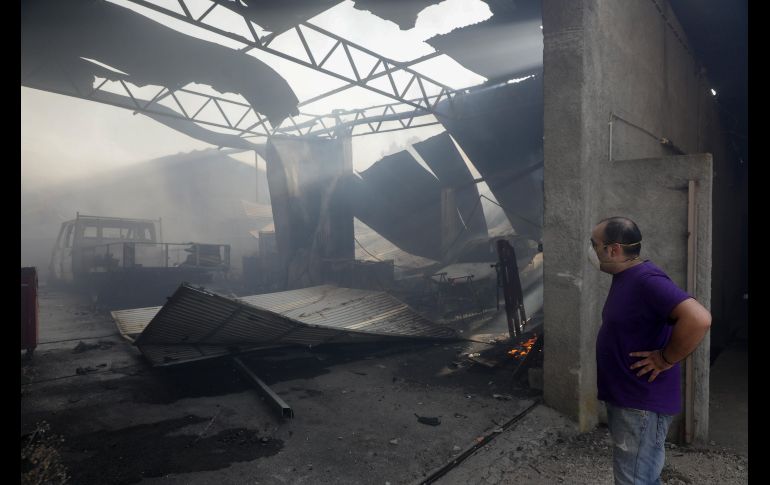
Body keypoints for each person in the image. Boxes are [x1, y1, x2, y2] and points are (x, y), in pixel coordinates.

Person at [588, 217, 711, 485]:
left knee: (635, 480)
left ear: (613, 249)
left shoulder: (646, 280)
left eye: (594, 244)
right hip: (630, 399)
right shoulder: (627, 277)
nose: (592, 251)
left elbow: (699, 318)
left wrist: (665, 359)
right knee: (640, 477)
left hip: (640, 403)